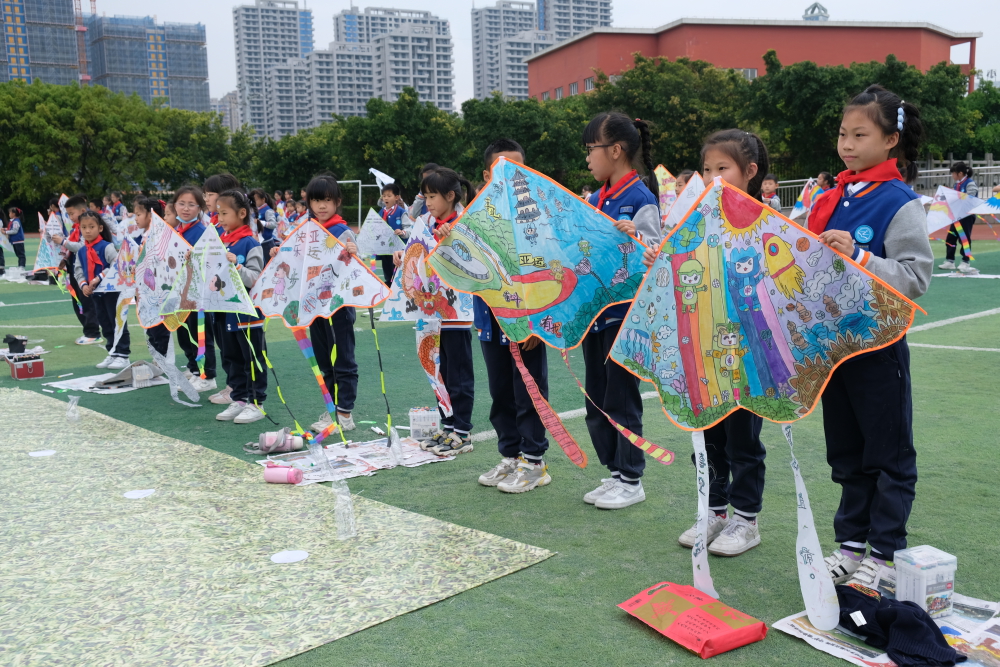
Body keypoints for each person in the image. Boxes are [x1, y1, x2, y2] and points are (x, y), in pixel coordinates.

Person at [808, 85, 932, 590]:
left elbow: (916, 277)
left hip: (878, 351)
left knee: (888, 456)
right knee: (846, 455)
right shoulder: (832, 197)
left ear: (891, 140)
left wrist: (860, 257)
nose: (847, 144)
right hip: (834, 349)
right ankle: (851, 547)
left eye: (860, 135)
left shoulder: (900, 202)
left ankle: (884, 553)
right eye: (843, 134)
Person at [671, 130, 771, 555]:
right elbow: (679, 269)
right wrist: (659, 257)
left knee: (742, 439)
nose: (712, 177)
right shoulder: (697, 222)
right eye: (707, 169)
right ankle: (713, 511)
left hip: (746, 356)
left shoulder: (767, 223)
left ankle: (746, 519)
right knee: (707, 435)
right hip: (705, 350)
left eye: (722, 168)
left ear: (749, 172)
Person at [581, 111, 660, 510]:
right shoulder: (595, 200)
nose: (587, 159)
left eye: (590, 149)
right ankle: (614, 472)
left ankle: (631, 478)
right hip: (594, 314)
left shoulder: (640, 198)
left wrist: (638, 238)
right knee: (596, 399)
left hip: (625, 316)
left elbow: (656, 252)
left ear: (615, 150)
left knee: (620, 397)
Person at [473, 139, 552, 493]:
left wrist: (536, 320)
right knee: (500, 391)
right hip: (490, 319)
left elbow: (548, 269)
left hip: (525, 322)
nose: (509, 176)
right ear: (486, 175)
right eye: (501, 169)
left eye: (517, 169)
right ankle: (510, 456)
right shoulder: (475, 216)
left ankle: (534, 462)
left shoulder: (536, 216)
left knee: (529, 391)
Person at [282, 174, 360, 435]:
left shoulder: (342, 232)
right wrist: (280, 253)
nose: (322, 206)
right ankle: (331, 408)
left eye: (327, 200)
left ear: (337, 201)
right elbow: (296, 262)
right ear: (309, 203)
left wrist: (354, 254)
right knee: (324, 361)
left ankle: (344, 413)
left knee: (343, 360)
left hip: (338, 308)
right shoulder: (306, 232)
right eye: (316, 201)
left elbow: (357, 267)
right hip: (314, 307)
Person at [408, 167, 476, 456]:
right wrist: (403, 255)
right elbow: (415, 255)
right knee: (439, 373)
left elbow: (473, 263)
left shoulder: (464, 223)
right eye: (425, 197)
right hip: (430, 314)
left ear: (450, 196)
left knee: (458, 375)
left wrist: (452, 239)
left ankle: (462, 432)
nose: (428, 203)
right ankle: (448, 426)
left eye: (432, 196)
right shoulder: (425, 223)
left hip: (457, 314)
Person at [213, 189, 268, 424]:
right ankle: (239, 398)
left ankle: (256, 403)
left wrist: (237, 266)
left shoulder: (250, 243)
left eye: (224, 213)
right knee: (231, 357)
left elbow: (256, 278)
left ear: (242, 213)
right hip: (224, 311)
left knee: (252, 358)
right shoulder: (219, 242)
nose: (220, 219)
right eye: (218, 214)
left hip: (247, 314)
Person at [170, 185, 219, 393]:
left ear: (200, 208)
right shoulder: (177, 231)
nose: (185, 208)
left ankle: (207, 376)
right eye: (181, 203)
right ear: (175, 206)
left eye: (191, 204)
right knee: (184, 335)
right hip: (181, 295)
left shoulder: (201, 232)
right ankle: (194, 370)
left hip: (198, 296)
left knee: (200, 336)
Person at [75, 210, 130, 370]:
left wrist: (99, 277)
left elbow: (116, 263)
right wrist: (83, 285)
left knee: (117, 322)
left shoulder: (106, 246)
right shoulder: (81, 250)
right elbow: (78, 270)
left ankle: (123, 355)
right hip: (96, 293)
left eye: (91, 227)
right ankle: (112, 352)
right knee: (104, 323)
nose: (87, 230)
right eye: (84, 227)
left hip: (112, 292)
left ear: (100, 228)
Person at [52, 194, 101, 345]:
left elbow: (82, 246)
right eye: (68, 214)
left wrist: (63, 242)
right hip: (74, 267)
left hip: (85, 269)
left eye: (72, 213)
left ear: (83, 211)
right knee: (77, 300)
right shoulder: (75, 229)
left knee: (86, 300)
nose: (70, 217)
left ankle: (93, 332)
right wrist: (64, 259)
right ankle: (88, 331)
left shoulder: (87, 228)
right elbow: (72, 249)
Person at [939, 162, 979, 273]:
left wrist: (955, 198)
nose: (952, 175)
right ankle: (950, 261)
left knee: (964, 239)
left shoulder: (970, 184)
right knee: (951, 238)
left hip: (966, 216)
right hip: (957, 216)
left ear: (960, 173)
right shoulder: (957, 184)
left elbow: (970, 198)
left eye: (953, 173)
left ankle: (965, 261)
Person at [376, 182, 408, 284]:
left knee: (398, 271)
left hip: (398, 249)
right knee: (387, 270)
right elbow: (375, 226)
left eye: (389, 196)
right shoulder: (381, 212)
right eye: (384, 196)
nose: (386, 198)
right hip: (385, 248)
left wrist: (402, 232)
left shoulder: (401, 212)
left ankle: (397, 286)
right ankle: (388, 284)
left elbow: (409, 228)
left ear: (396, 197)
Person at [250, 189, 278, 258]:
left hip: (267, 243)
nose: (254, 202)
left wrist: (261, 223)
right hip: (258, 242)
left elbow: (273, 224)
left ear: (263, 199)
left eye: (256, 200)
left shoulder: (268, 210)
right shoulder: (256, 210)